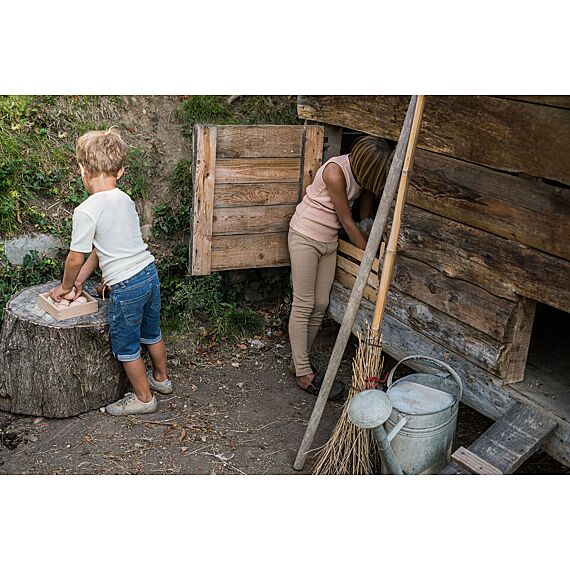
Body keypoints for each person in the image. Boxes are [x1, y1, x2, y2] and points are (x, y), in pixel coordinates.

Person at [49, 127, 170, 416]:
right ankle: (162, 379)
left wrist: (66, 286)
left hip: (126, 287)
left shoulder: (87, 210)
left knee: (126, 344)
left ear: (82, 169)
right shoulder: (124, 199)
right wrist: (81, 281)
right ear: (121, 171)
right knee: (151, 332)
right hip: (148, 274)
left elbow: (76, 257)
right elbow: (100, 248)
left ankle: (143, 399)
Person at [287, 135, 392, 399]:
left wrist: (378, 238)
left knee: (320, 304)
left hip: (328, 241)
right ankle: (303, 374)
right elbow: (347, 221)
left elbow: (365, 217)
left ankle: (299, 361)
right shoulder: (335, 172)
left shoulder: (364, 179)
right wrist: (372, 258)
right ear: (370, 168)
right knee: (303, 303)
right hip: (305, 236)